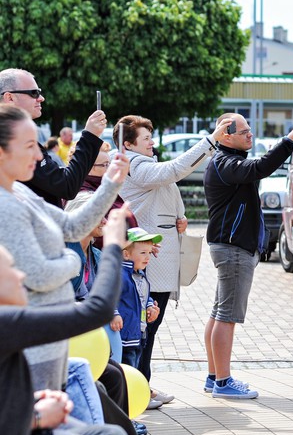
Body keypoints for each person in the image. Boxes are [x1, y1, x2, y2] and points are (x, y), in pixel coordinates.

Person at [0, 207, 187, 435]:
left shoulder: (11, 317)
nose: (21, 274)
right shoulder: (7, 322)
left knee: (104, 412)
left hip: (26, 425)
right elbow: (96, 310)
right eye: (11, 269)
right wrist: (113, 245)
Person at [0, 104, 126, 392]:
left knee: (110, 388)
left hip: (49, 343)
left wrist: (110, 185)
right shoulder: (5, 206)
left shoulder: (19, 192)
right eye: (30, 146)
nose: (39, 155)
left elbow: (72, 227)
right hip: (35, 347)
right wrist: (72, 258)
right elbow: (39, 274)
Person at [117, 114, 231, 406]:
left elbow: (167, 188)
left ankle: (143, 388)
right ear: (128, 144)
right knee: (143, 331)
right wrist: (210, 140)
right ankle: (138, 391)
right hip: (149, 263)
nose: (151, 142)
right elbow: (176, 170)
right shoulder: (136, 165)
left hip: (154, 262)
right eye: (145, 139)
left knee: (147, 330)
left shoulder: (143, 165)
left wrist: (178, 218)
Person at [204, 112, 293, 398]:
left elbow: (257, 167)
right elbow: (261, 167)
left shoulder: (226, 161)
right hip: (232, 247)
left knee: (219, 313)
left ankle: (214, 376)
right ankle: (223, 383)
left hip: (231, 246)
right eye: (244, 132)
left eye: (250, 131)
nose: (250, 136)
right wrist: (289, 139)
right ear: (226, 135)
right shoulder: (225, 162)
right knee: (227, 316)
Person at [0, 68, 106, 207]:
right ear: (10, 98)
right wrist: (90, 137)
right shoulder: (11, 139)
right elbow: (66, 186)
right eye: (34, 93)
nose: (41, 98)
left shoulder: (24, 198)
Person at [112, 228, 161, 367]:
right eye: (143, 253)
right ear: (126, 254)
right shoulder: (120, 275)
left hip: (137, 334)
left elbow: (142, 296)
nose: (148, 257)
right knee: (125, 370)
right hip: (124, 337)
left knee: (135, 367)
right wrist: (114, 314)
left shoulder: (139, 274)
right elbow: (107, 297)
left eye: (149, 252)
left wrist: (150, 305)